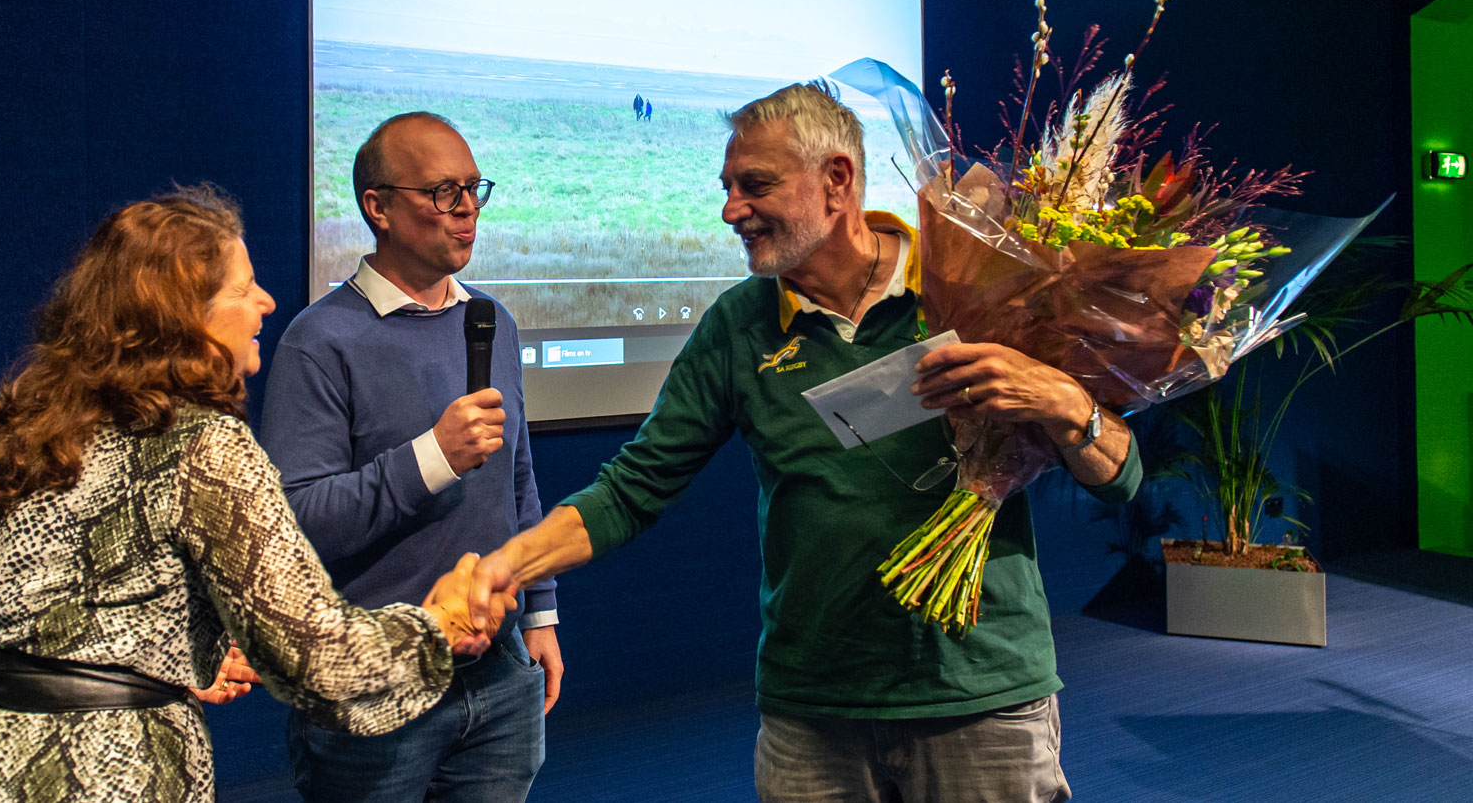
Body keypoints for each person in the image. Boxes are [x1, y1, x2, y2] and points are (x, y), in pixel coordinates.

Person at [465, 83, 1142, 803]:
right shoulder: (739, 326)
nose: (731, 210)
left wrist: (1065, 402)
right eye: (726, 188)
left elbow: (1121, 477)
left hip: (982, 696)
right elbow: (633, 490)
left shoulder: (972, 286)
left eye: (754, 185)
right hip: (811, 712)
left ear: (838, 181)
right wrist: (508, 564)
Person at [0, 185, 514, 803]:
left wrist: (176, 653)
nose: (265, 301)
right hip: (109, 776)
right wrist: (435, 628)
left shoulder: (40, 425)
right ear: (184, 313)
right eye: (241, 288)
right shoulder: (206, 446)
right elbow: (317, 660)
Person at [261, 112, 558, 802]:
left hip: (500, 672)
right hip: (376, 685)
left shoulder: (493, 320)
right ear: (379, 208)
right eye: (442, 193)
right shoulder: (321, 342)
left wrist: (540, 613)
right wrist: (434, 457)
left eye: (473, 190)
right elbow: (298, 522)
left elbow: (517, 477)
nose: (465, 213)